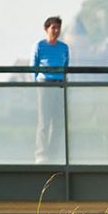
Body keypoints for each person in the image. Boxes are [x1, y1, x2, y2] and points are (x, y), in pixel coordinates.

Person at [31, 16, 69, 163]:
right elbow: (33, 67)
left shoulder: (64, 47)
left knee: (58, 121)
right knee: (44, 121)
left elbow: (66, 67)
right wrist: (36, 84)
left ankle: (53, 153)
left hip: (59, 84)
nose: (56, 30)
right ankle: (41, 153)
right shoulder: (39, 46)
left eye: (58, 28)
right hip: (44, 84)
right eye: (53, 27)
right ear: (46, 29)